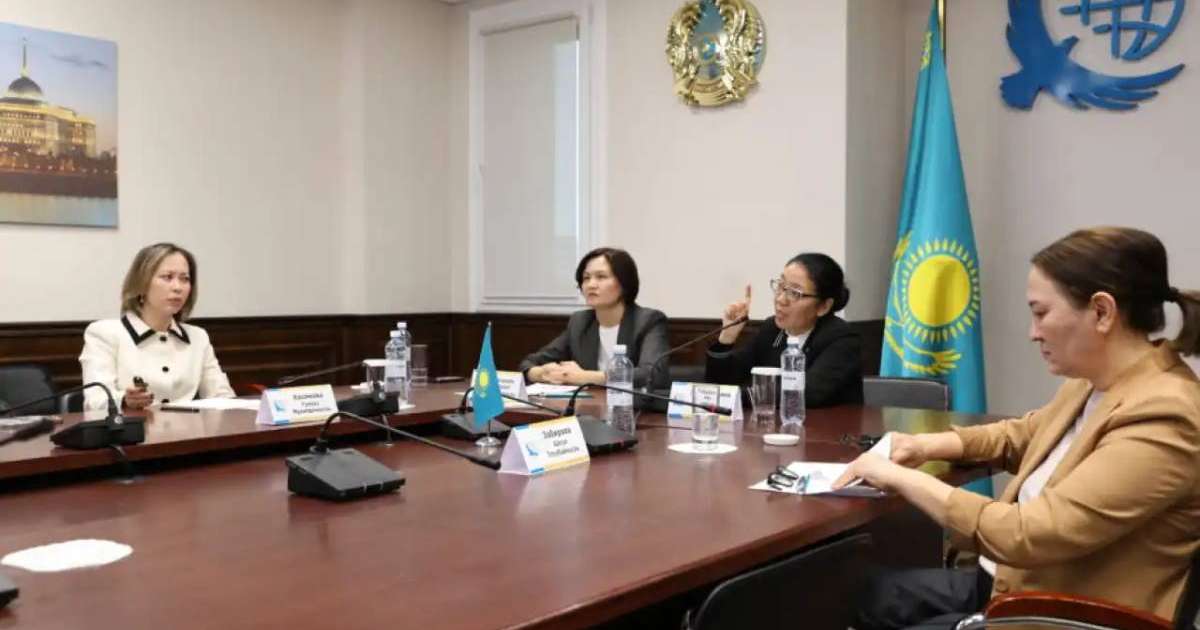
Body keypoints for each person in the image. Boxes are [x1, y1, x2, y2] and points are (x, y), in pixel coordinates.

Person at [839, 227, 1200, 628]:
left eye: (1041, 312)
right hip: (1010, 581)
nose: (1033, 332)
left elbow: (1028, 533)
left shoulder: (1167, 416)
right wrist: (926, 445)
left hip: (1065, 611)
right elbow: (1023, 435)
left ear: (1102, 312)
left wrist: (898, 477)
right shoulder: (1095, 381)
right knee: (858, 597)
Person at [80, 243, 235, 411]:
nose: (177, 287)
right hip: (133, 434)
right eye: (167, 277)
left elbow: (221, 396)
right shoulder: (104, 333)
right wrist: (125, 400)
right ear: (141, 283)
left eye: (185, 279)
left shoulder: (198, 337)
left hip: (191, 432)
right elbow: (95, 401)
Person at [705, 252, 862, 407]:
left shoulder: (842, 339)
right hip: (774, 428)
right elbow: (719, 383)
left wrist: (734, 396)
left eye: (795, 293)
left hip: (830, 430)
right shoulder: (772, 330)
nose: (780, 299)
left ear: (824, 306)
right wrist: (726, 338)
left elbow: (807, 394)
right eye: (781, 286)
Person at [520, 247, 670, 390]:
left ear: (624, 284)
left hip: (633, 410)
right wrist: (542, 373)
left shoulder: (648, 321)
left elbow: (652, 375)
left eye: (601, 277)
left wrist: (583, 377)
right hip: (590, 408)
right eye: (586, 278)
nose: (591, 285)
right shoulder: (580, 322)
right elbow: (529, 363)